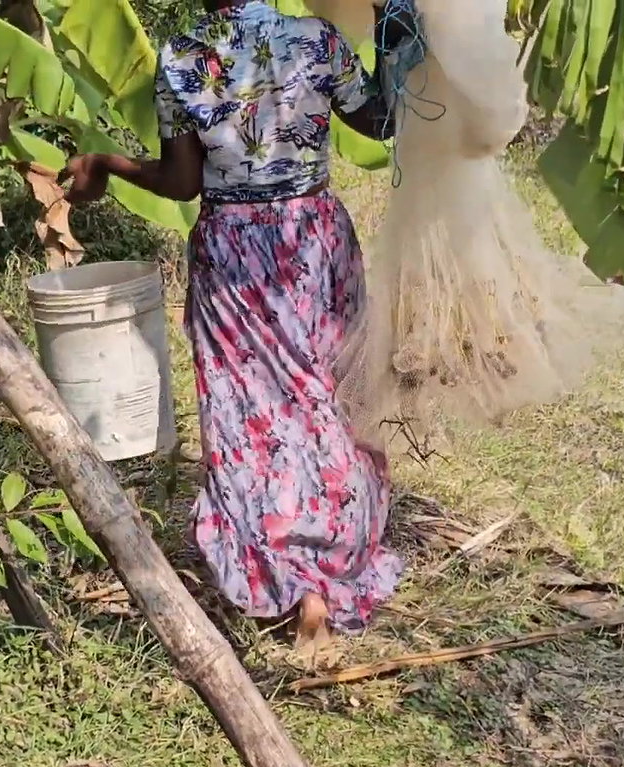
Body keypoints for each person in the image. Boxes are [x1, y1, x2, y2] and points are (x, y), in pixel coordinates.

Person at [61, 0, 401, 659]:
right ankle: (329, 565)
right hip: (313, 237)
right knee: (328, 399)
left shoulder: (183, 56)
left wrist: (104, 163)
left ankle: (287, 568)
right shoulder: (317, 40)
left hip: (233, 246)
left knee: (254, 417)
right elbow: (382, 120)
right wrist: (394, 33)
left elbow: (181, 183)